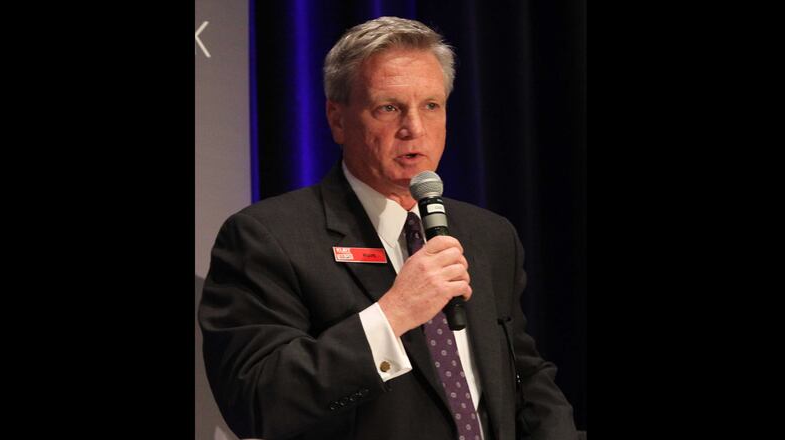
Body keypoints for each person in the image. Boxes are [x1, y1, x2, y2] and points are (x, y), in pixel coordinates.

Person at [199, 16, 578, 440]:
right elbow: (257, 400)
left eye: (431, 106)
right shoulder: (267, 237)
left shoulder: (489, 235)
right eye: (389, 107)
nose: (414, 128)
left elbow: (524, 376)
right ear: (337, 119)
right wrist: (393, 313)